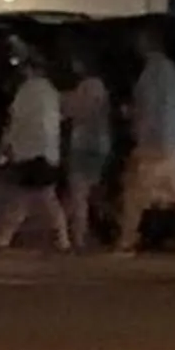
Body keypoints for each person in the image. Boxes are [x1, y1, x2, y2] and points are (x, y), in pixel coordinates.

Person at [114, 25, 175, 255]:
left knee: (135, 195)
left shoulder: (152, 73)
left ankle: (128, 240)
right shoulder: (171, 71)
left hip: (155, 145)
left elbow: (149, 110)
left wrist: (135, 126)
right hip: (172, 143)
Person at [0, 57, 71, 252]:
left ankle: (2, 240)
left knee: (25, 198)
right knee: (44, 198)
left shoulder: (27, 91)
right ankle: (62, 240)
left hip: (29, 151)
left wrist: (4, 149)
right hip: (48, 152)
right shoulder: (50, 91)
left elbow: (17, 122)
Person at [58, 50, 113, 250]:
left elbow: (71, 111)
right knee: (83, 194)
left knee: (78, 195)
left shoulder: (85, 87)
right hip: (100, 146)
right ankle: (64, 232)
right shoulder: (101, 87)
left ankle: (77, 238)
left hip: (83, 145)